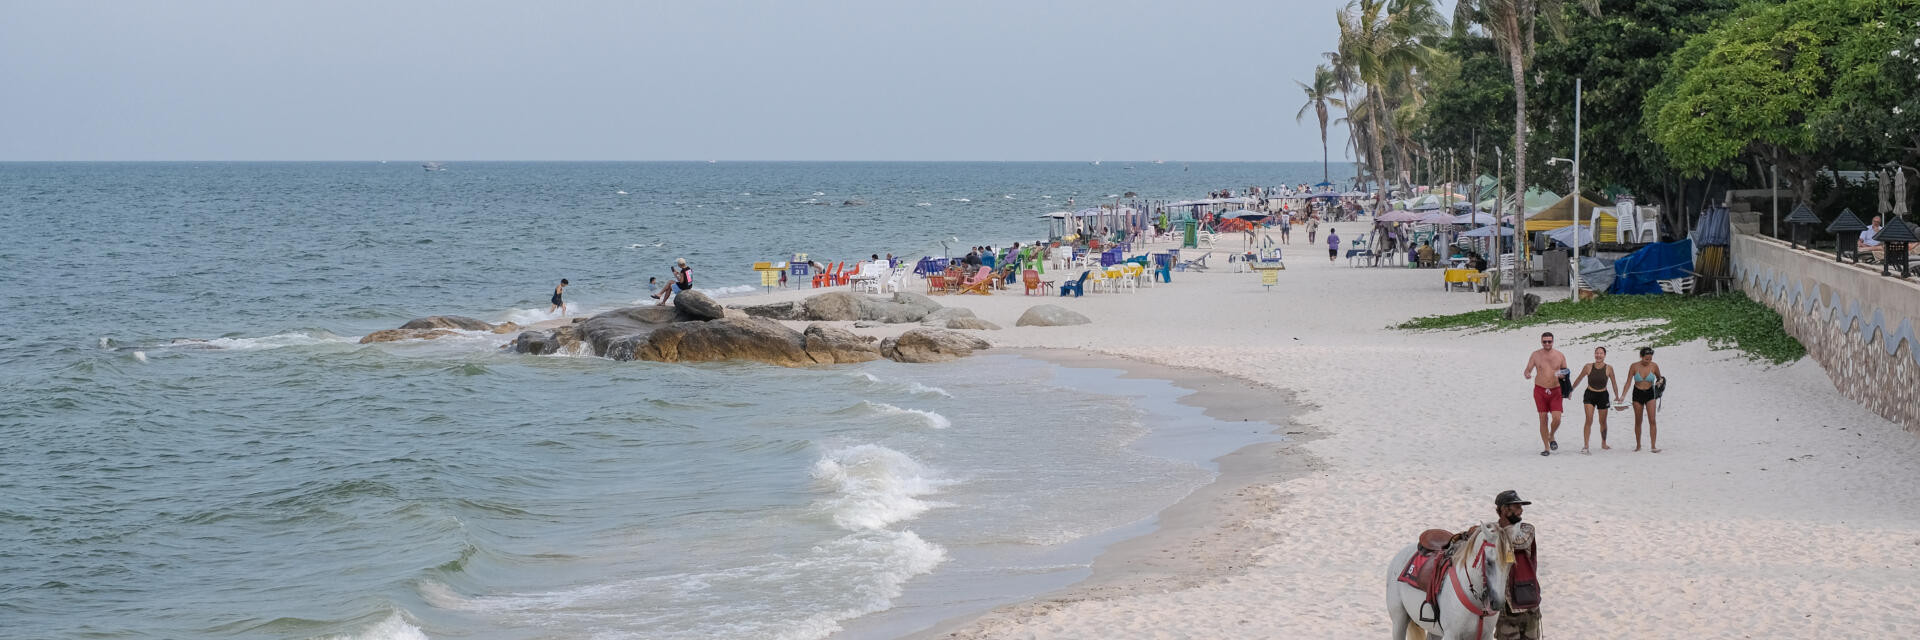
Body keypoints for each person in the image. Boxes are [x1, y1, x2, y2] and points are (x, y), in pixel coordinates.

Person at [1494, 490, 1541, 640]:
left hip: (1529, 604)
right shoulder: (1492, 531)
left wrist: (1491, 533)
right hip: (1505, 608)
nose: (1521, 511)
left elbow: (1517, 542)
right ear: (1504, 509)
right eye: (1517, 507)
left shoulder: (1527, 529)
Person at [1523, 331, 1568, 456]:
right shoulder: (1536, 355)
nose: (1547, 343)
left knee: (1557, 418)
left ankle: (1551, 435)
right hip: (1540, 390)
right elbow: (1528, 369)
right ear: (1541, 342)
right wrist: (1527, 374)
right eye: (1545, 341)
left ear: (1553, 341)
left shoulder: (1559, 355)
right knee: (1543, 418)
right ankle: (1546, 448)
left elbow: (1566, 371)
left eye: (1549, 341)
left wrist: (1562, 376)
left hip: (1556, 390)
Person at [1575, 347, 1621, 454]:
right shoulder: (1588, 366)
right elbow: (1579, 378)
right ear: (1594, 354)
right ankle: (1586, 445)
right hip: (1589, 394)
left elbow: (1614, 383)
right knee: (1589, 419)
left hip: (1603, 396)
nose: (1598, 355)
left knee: (1603, 421)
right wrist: (1571, 390)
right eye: (1597, 353)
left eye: (1601, 353)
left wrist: (1617, 396)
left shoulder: (1609, 368)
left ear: (1604, 355)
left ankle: (1603, 443)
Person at [1627, 347, 1664, 452]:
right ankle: (1638, 446)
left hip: (1650, 393)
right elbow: (1628, 382)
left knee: (1652, 420)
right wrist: (1622, 396)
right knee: (1638, 421)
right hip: (1637, 393)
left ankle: (1653, 446)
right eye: (1646, 359)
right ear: (1641, 356)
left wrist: (1660, 382)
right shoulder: (1634, 366)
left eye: (1650, 359)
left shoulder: (1654, 366)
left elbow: (1660, 378)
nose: (1648, 361)